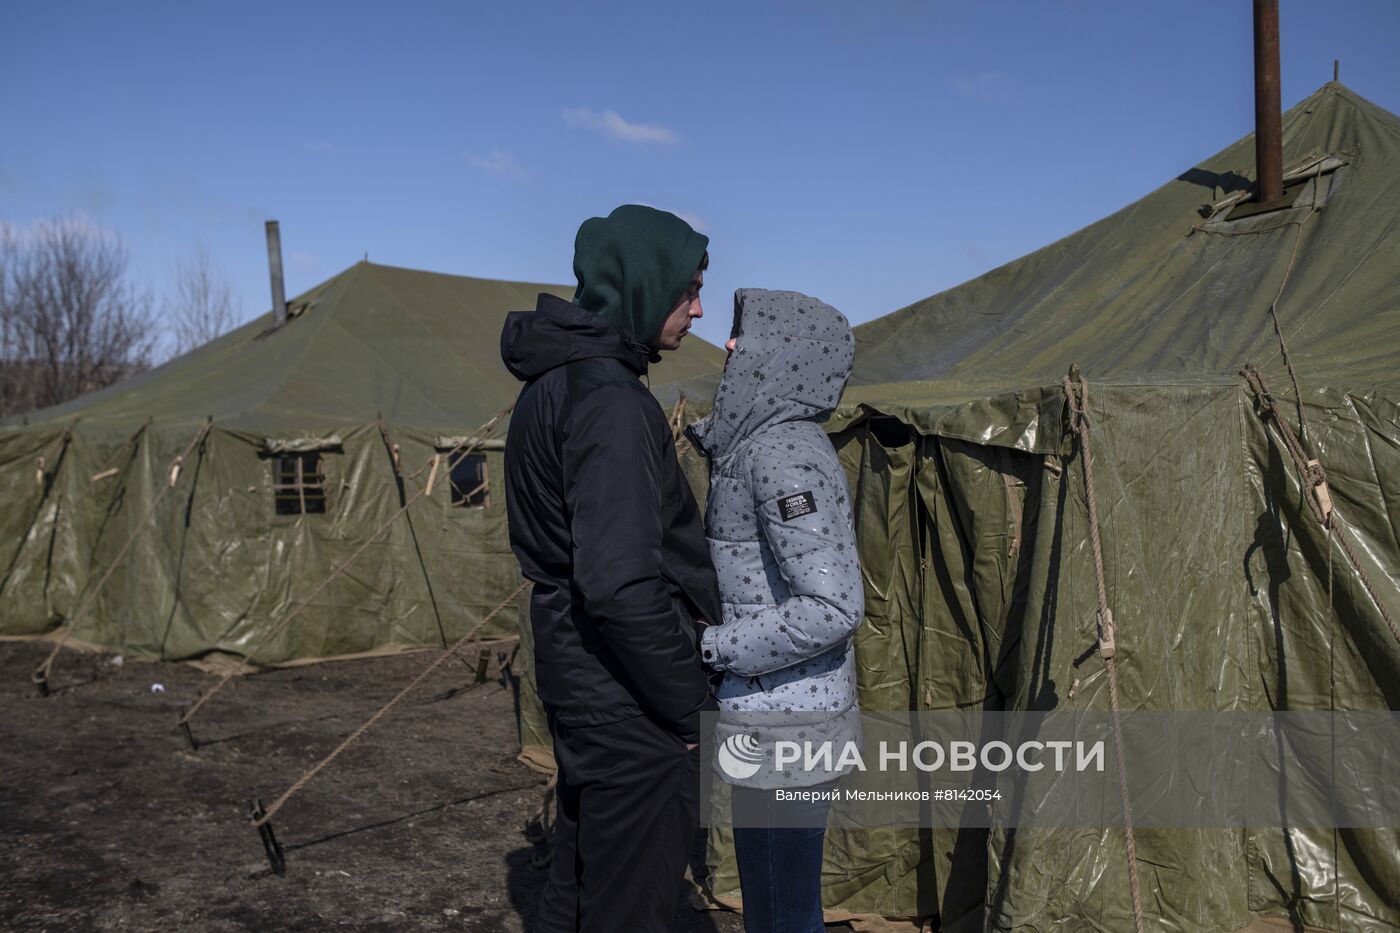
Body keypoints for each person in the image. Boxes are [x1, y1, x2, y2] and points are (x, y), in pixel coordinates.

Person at [499, 204, 720, 933]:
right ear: (643, 283)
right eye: (686, 288)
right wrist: (689, 705)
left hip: (580, 676)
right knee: (629, 906)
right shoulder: (611, 404)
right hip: (627, 700)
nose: (696, 307)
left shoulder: (550, 386)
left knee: (578, 884)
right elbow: (620, 584)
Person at [687, 289, 863, 933]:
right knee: (773, 903)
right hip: (772, 714)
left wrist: (712, 647)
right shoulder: (755, 445)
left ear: (782, 355)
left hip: (792, 723)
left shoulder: (783, 453)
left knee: (783, 909)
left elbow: (832, 604)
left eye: (745, 336)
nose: (729, 345)